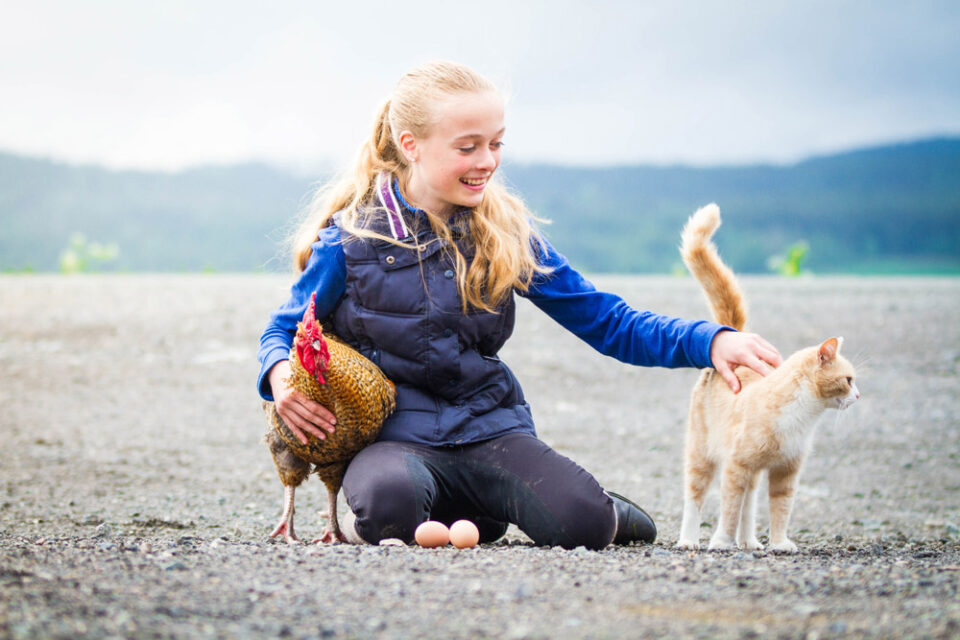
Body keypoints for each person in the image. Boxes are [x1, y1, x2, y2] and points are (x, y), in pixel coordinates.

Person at [257, 61, 781, 550]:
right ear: (410, 144)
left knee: (582, 525)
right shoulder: (348, 241)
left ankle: (594, 510)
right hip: (394, 441)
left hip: (490, 429)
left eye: (496, 144)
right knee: (388, 507)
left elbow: (607, 320)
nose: (486, 161)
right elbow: (280, 331)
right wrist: (281, 379)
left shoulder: (507, 234)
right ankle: (472, 513)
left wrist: (709, 341)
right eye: (467, 147)